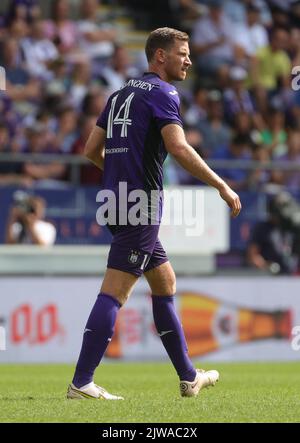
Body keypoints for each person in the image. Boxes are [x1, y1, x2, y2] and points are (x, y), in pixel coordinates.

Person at [67, 27, 241, 401]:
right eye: (182, 52)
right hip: (140, 204)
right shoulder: (164, 92)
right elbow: (177, 147)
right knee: (115, 293)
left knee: (165, 284)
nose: (189, 59)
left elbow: (91, 149)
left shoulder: (118, 94)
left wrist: (119, 175)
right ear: (160, 56)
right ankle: (82, 382)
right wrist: (221, 185)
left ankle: (188, 376)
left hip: (114, 200)